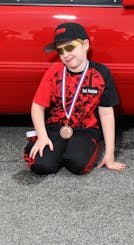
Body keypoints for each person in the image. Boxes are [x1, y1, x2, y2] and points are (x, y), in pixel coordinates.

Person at [24, 22, 126, 175]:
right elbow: (37, 107)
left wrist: (109, 154)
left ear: (85, 45)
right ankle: (44, 147)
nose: (65, 54)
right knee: (42, 166)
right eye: (60, 50)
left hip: (85, 130)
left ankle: (72, 151)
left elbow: (106, 114)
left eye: (70, 47)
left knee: (77, 165)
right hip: (56, 127)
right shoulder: (54, 72)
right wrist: (42, 137)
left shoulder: (101, 73)